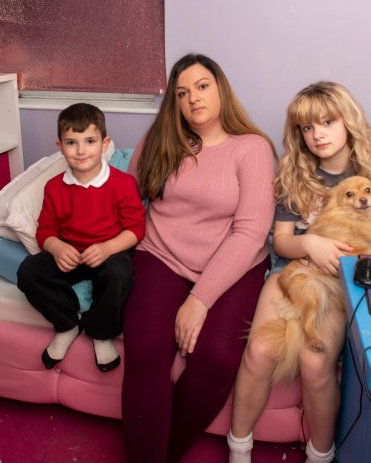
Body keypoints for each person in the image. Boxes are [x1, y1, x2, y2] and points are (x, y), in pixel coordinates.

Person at [228, 81, 371, 463]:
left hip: (340, 281)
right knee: (260, 350)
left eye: (326, 122)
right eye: (307, 128)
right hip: (292, 268)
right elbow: (281, 241)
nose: (317, 135)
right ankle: (238, 448)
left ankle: (320, 454)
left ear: (347, 120)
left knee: (314, 363)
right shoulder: (295, 172)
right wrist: (309, 244)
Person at [121, 53, 277, 462]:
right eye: (182, 92)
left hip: (234, 262)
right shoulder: (160, 138)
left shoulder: (253, 149)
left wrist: (199, 300)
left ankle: (164, 451)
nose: (193, 99)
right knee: (147, 349)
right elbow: (126, 196)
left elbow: (250, 232)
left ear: (221, 89)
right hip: (161, 253)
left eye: (202, 86)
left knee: (217, 359)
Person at [16, 103, 145, 373]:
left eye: (89, 141)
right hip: (72, 255)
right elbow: (45, 230)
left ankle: (100, 331)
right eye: (71, 143)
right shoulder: (54, 187)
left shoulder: (122, 184)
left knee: (120, 274)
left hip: (109, 254)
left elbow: (136, 229)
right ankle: (67, 324)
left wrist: (109, 248)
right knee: (29, 270)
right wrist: (57, 246)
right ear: (60, 147)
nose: (81, 150)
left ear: (104, 143)